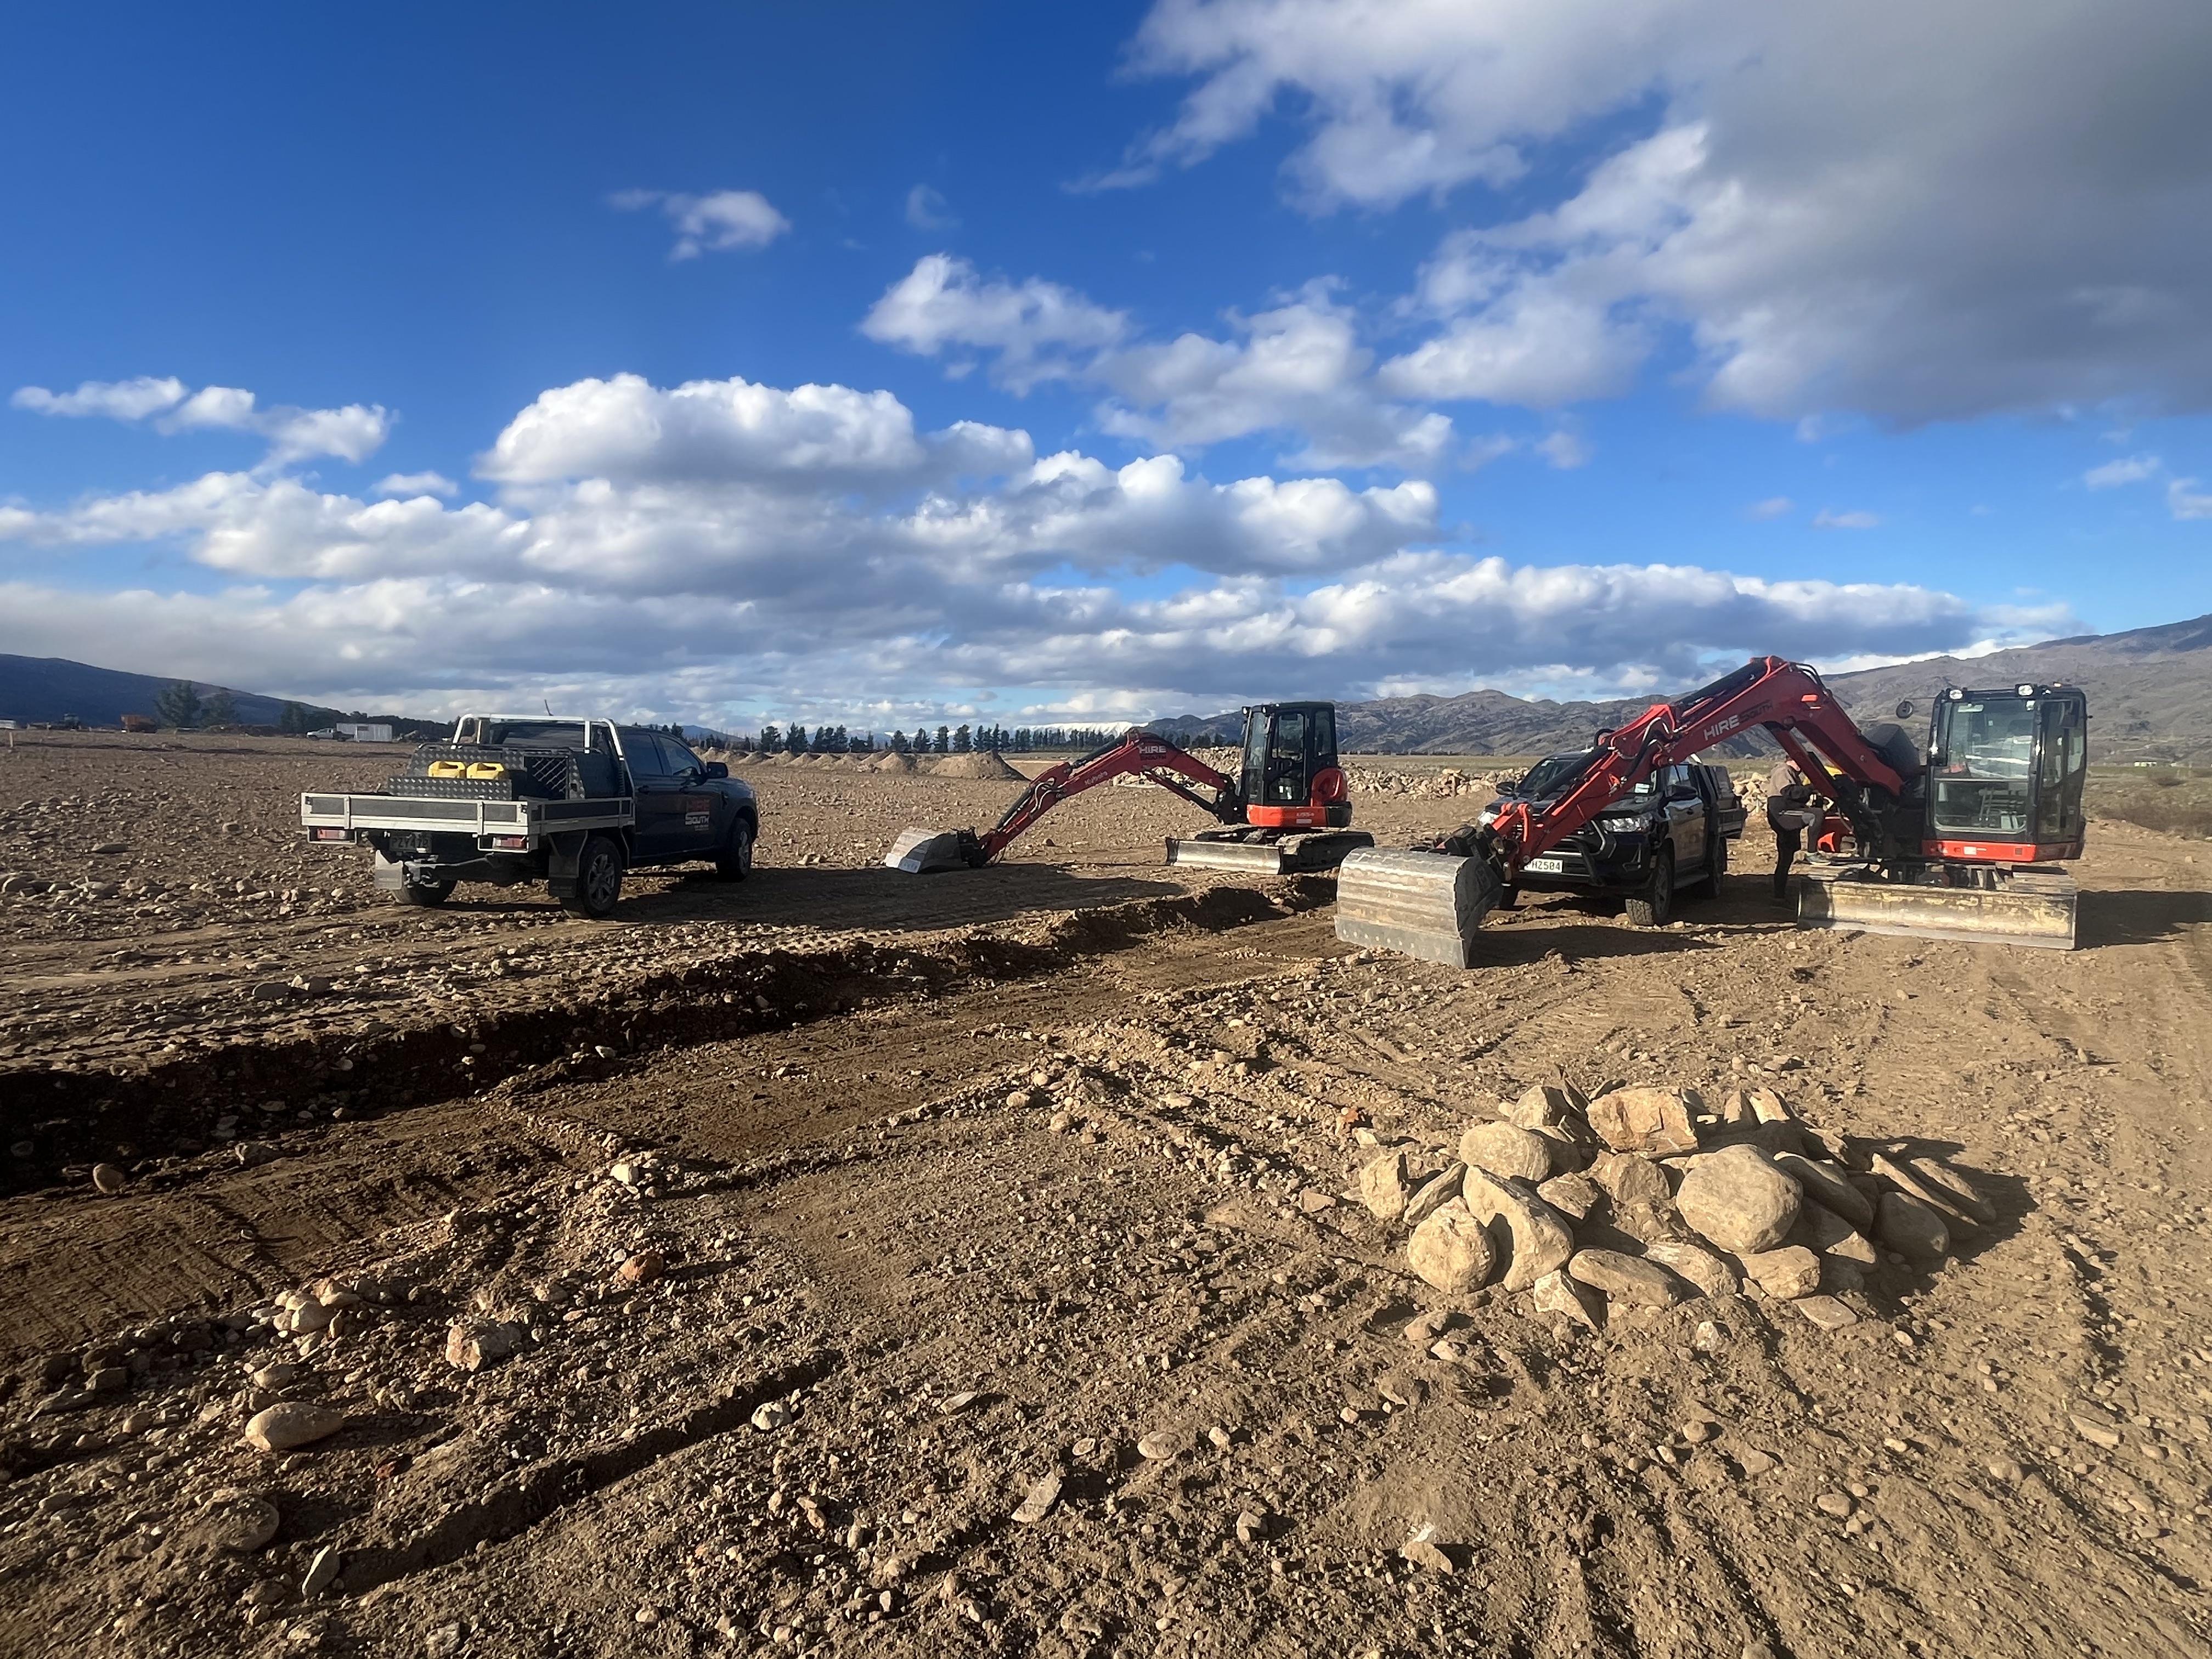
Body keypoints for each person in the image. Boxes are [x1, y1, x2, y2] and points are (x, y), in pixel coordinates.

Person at [1765, 757, 1825, 904]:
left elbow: (1797, 797)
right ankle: (1812, 853)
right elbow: (1790, 793)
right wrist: (1812, 787)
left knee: (1786, 857)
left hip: (1785, 813)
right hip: (1782, 814)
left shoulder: (1792, 774)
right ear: (1792, 760)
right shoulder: (1784, 771)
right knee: (1816, 815)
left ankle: (1779, 897)